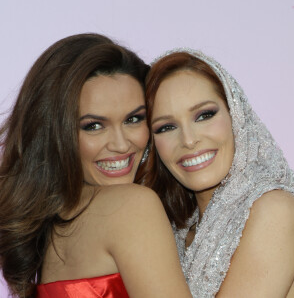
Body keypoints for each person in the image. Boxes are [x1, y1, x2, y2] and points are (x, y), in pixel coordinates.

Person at [0, 34, 193, 298]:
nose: (121, 144)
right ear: (55, 132)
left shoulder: (56, 225)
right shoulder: (131, 206)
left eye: (134, 119)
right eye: (93, 125)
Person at [143, 49, 294, 297]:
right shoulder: (172, 233)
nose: (189, 140)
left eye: (204, 115)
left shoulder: (276, 210)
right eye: (166, 127)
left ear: (235, 114)